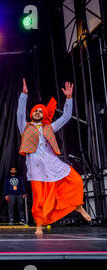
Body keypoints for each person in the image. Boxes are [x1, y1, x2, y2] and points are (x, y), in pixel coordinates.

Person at [17, 78, 91, 236]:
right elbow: (20, 113)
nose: (38, 112)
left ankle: (78, 205)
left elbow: (66, 117)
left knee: (76, 180)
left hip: (52, 164)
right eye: (36, 110)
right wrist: (23, 96)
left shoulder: (49, 127)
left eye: (41, 111)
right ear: (32, 113)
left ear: (44, 115)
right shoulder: (25, 126)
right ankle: (39, 226)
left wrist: (69, 99)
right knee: (39, 199)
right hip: (36, 169)